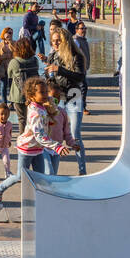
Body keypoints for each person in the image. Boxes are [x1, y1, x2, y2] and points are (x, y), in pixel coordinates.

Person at [0, 77, 72, 211]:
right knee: (20, 177)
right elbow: (39, 136)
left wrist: (51, 103)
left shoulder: (39, 106)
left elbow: (49, 110)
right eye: (42, 92)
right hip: (27, 149)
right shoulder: (35, 112)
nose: (46, 94)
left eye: (46, 91)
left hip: (38, 149)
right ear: (32, 96)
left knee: (41, 177)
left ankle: (42, 203)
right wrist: (57, 146)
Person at [45, 25, 87, 175]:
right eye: (53, 41)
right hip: (57, 96)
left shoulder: (76, 56)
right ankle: (52, 171)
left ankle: (82, 170)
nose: (55, 44)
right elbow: (51, 80)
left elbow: (80, 77)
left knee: (75, 134)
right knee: (54, 133)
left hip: (74, 95)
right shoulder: (52, 56)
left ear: (66, 41)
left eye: (58, 41)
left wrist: (59, 69)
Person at [6, 37, 39, 130]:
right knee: (33, 118)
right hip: (34, 94)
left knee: (22, 119)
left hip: (18, 95)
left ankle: (22, 140)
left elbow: (9, 77)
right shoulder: (35, 60)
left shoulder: (14, 62)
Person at [71, 21, 92, 114]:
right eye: (81, 28)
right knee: (83, 87)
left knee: (81, 87)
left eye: (84, 28)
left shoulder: (83, 39)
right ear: (76, 30)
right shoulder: (76, 40)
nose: (84, 30)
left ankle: (78, 106)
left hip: (83, 68)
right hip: (78, 68)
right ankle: (81, 108)